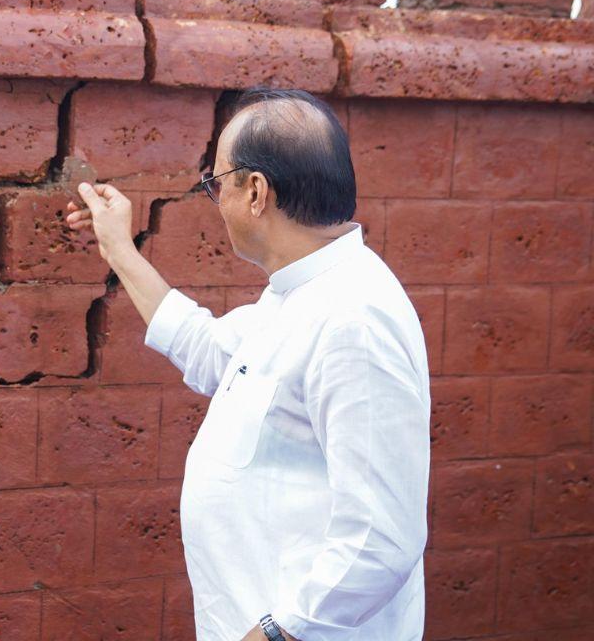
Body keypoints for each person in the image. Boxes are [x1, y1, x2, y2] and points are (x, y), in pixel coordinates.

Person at [65, 88, 429, 641]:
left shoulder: (353, 318)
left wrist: (278, 632)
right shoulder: (296, 294)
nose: (216, 200)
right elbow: (208, 348)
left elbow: (381, 538)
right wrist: (118, 247)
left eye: (216, 184)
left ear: (256, 191)